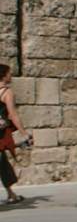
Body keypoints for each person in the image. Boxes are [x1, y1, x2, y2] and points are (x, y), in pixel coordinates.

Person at [0, 64, 30, 204]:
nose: (10, 76)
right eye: (9, 73)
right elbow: (13, 115)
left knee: (2, 162)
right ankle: (11, 194)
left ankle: (11, 194)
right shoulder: (6, 92)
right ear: (4, 75)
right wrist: (24, 133)